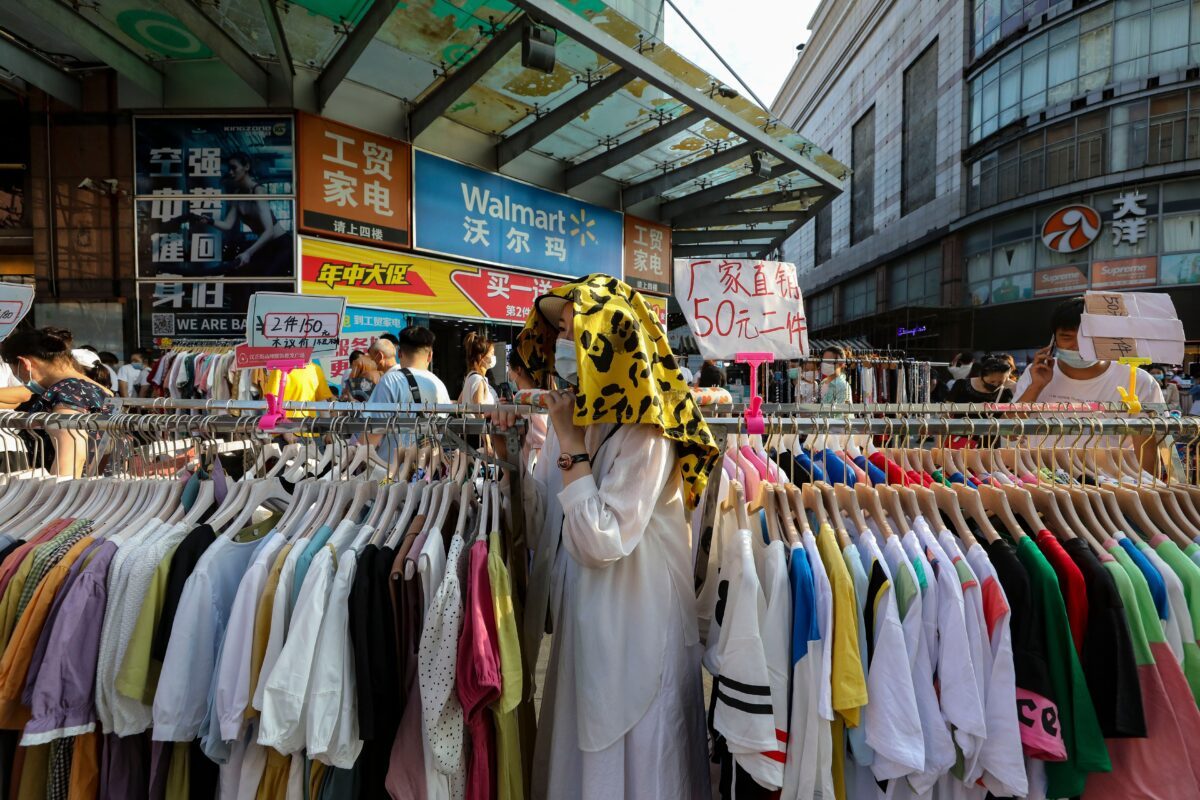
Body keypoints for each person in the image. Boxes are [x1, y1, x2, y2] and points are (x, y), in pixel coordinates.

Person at [492, 275, 717, 799]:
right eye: (563, 333)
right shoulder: (585, 414)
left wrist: (569, 444)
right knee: (588, 743)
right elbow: (549, 513)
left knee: (640, 755)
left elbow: (599, 538)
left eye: (575, 330)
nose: (565, 344)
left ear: (608, 339)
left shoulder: (649, 428)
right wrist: (513, 446)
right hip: (590, 620)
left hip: (637, 623)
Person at [1015, 296, 1164, 475]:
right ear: (1053, 340)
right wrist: (1036, 387)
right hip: (1041, 483)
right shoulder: (1035, 373)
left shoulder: (1137, 380)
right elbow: (1010, 430)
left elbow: (1146, 446)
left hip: (1111, 489)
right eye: (1067, 337)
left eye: (1088, 338)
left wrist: (1143, 492)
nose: (1077, 346)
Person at [0, 327, 112, 477]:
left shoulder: (66, 393)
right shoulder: (92, 389)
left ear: (24, 363)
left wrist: (54, 498)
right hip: (96, 492)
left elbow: (71, 460)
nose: (19, 378)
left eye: (15, 370)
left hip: (67, 495)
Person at [366, 325, 451, 463]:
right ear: (430, 355)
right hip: (427, 475)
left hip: (389, 474)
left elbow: (372, 434)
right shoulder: (439, 385)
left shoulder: (391, 380)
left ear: (399, 353)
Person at [199, 152, 292, 276]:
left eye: (234, 168)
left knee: (265, 281)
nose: (231, 172)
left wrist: (248, 252)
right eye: (229, 169)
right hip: (265, 245)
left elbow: (269, 231)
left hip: (281, 244)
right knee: (242, 275)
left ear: (246, 167)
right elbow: (228, 224)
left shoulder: (258, 191)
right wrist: (210, 221)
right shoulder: (237, 195)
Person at [508, 345, 553, 469]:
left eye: (509, 368)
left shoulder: (524, 402)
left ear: (518, 370)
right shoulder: (549, 398)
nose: (509, 372)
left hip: (533, 471)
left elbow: (537, 445)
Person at [948, 353, 1015, 403]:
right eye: (992, 381)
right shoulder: (961, 385)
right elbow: (946, 410)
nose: (996, 385)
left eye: (1001, 382)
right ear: (982, 375)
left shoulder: (1005, 393)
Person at [459, 331, 498, 406]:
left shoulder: (474, 377)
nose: (494, 356)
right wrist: (495, 410)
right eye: (492, 353)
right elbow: (479, 412)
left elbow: (460, 402)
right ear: (481, 357)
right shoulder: (477, 380)